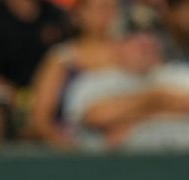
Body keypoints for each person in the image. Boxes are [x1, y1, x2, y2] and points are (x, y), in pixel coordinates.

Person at [61, 6, 189, 150]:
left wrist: (129, 118)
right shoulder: (92, 81)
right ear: (116, 44)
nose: (144, 42)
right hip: (118, 171)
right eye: (134, 37)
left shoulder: (185, 74)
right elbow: (95, 116)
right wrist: (162, 102)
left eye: (151, 35)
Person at [0, 0, 71, 145]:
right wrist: (18, 100)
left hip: (50, 99)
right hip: (2, 98)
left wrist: (40, 102)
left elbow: (69, 61)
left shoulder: (57, 17)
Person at [29, 0, 128, 148]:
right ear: (79, 14)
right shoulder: (62, 58)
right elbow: (40, 118)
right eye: (99, 8)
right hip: (74, 147)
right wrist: (65, 145)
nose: (105, 13)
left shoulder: (131, 53)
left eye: (111, 7)